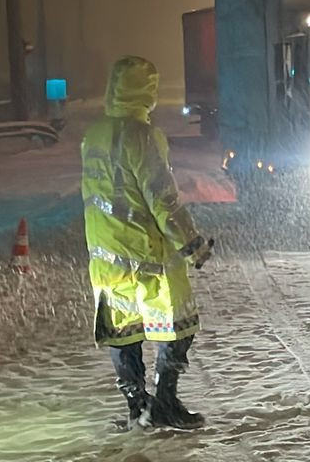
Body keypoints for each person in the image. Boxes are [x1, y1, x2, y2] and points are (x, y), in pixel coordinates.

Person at [82, 56, 213, 430]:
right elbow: (162, 199)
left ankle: (137, 406)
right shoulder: (143, 136)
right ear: (147, 92)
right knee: (177, 326)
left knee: (124, 333)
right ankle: (165, 402)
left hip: (106, 255)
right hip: (147, 255)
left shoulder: (94, 134)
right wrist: (191, 245)